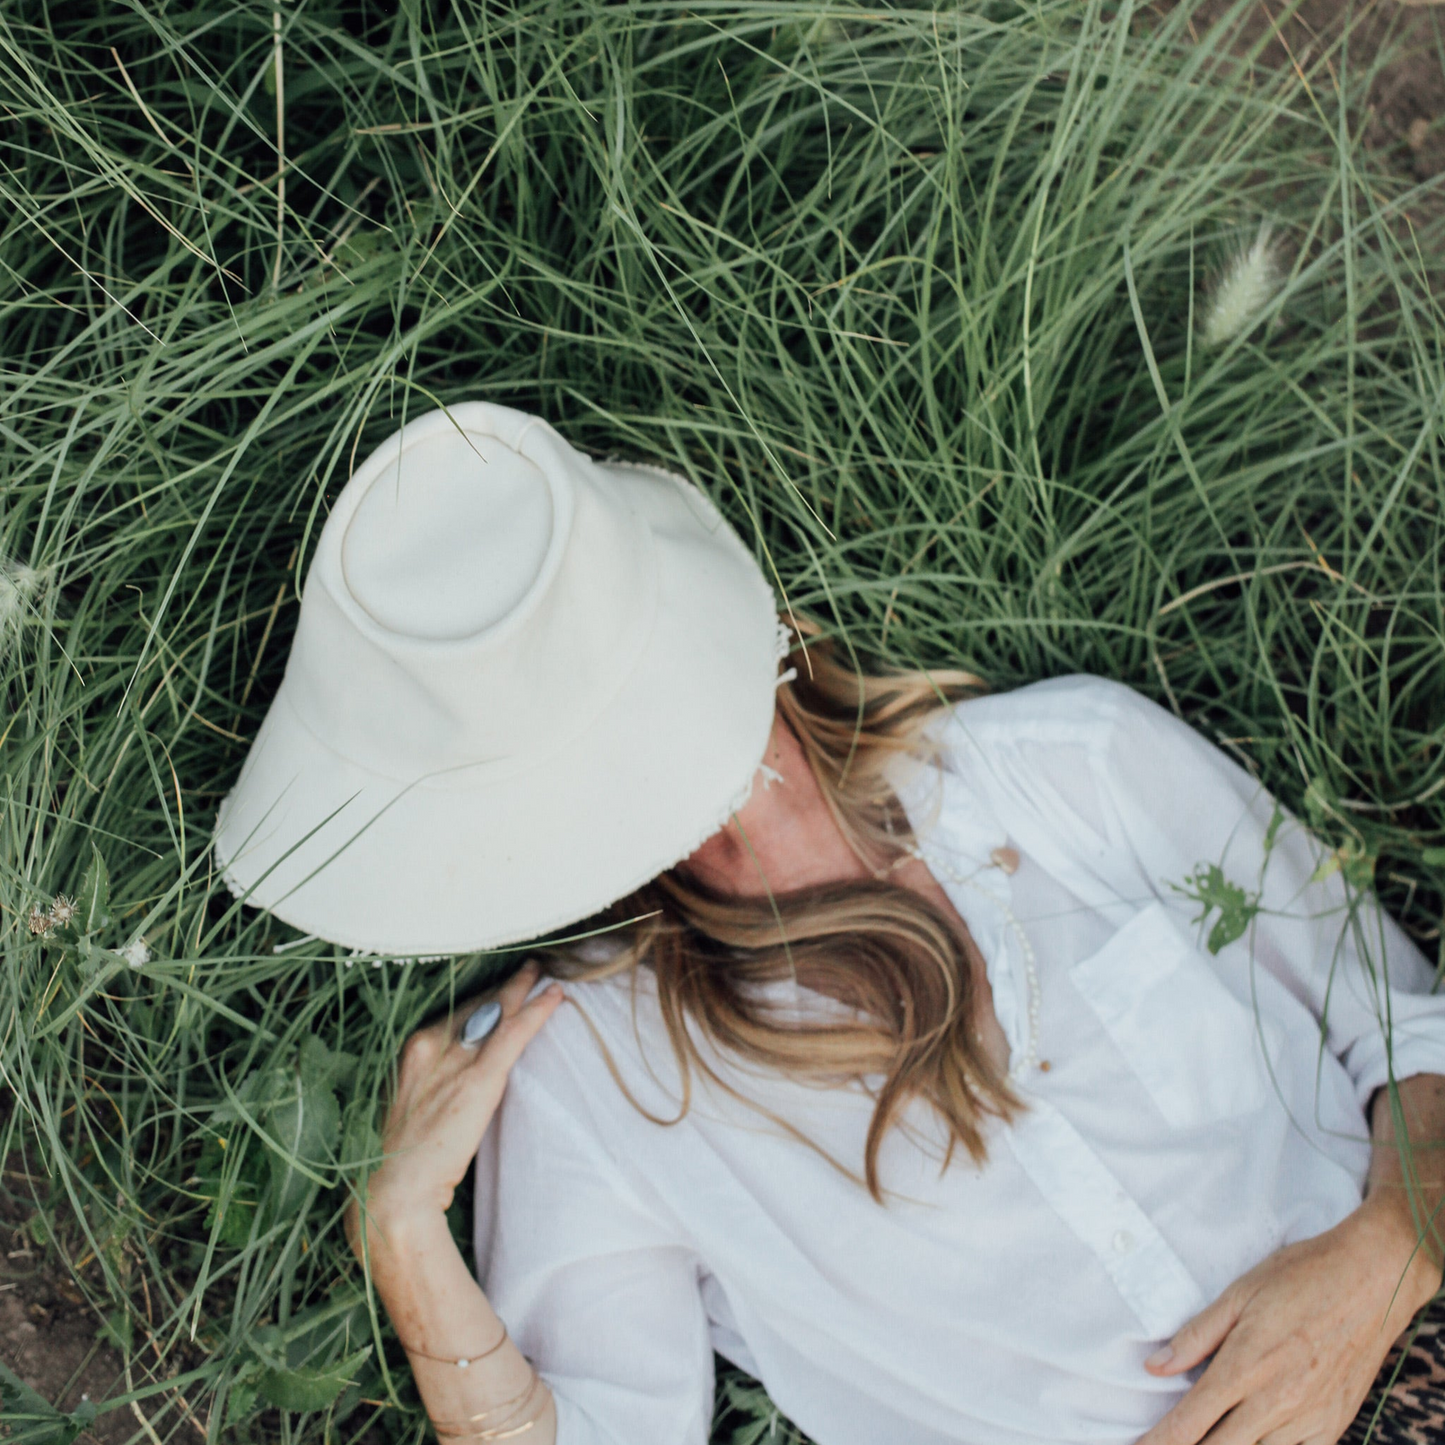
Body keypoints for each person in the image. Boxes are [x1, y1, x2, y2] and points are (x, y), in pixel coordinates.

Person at [215, 403, 1445, 1445]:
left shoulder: (1079, 759)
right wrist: (403, 1236)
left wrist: (1392, 1245)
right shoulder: (589, 1063)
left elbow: (1406, 1024)